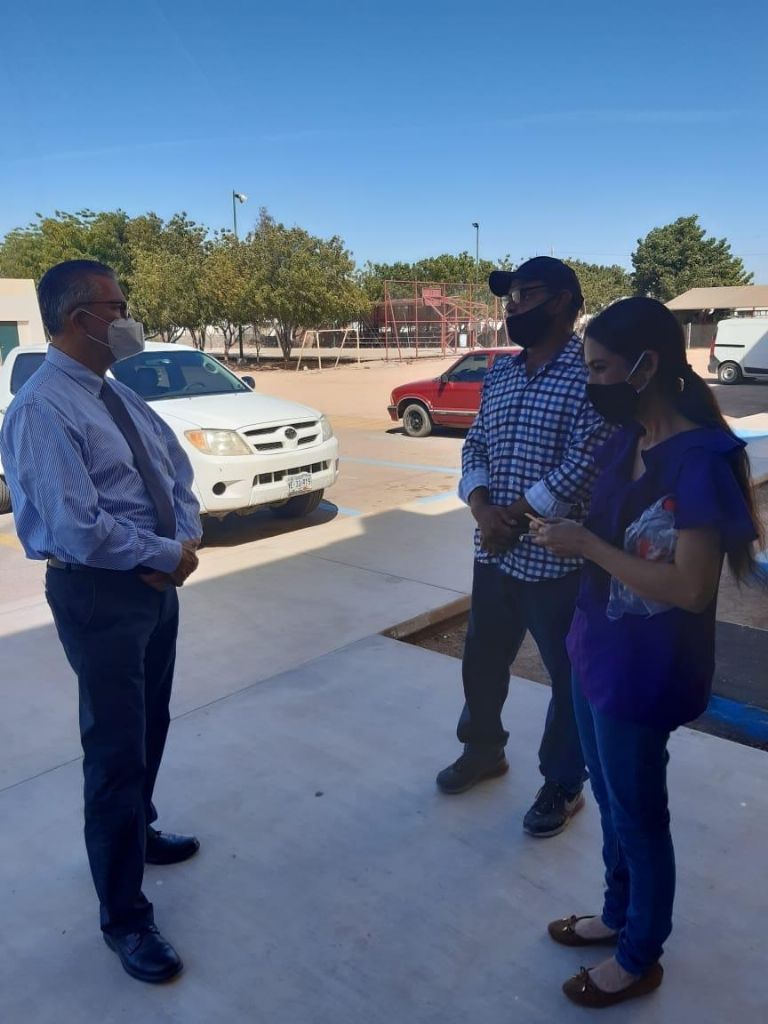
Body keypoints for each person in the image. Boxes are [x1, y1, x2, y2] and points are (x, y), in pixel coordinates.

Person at [531, 297, 761, 1008]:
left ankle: (639, 955)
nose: (590, 381)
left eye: (600, 367)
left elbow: (692, 589)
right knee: (609, 799)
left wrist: (587, 544)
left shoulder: (701, 461)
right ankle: (617, 913)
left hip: (645, 673)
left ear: (646, 365)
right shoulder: (621, 439)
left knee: (638, 814)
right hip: (593, 651)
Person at [0, 260, 203, 984]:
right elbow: (73, 526)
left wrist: (183, 541)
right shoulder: (42, 409)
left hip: (154, 586)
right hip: (100, 597)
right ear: (79, 318)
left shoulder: (114, 396)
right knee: (114, 754)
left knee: (152, 720)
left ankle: (139, 832)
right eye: (119, 306)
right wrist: (160, 554)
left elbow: (173, 469)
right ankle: (125, 918)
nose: (129, 318)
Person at [436, 257, 613, 838]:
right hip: (495, 553)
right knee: (482, 661)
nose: (512, 307)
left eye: (524, 294)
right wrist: (482, 508)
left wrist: (513, 514)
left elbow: (589, 458)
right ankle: (484, 749)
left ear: (562, 301)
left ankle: (563, 784)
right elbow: (475, 446)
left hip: (558, 561)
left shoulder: (588, 372)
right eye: (509, 297)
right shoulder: (503, 375)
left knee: (568, 680)